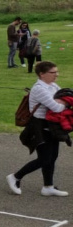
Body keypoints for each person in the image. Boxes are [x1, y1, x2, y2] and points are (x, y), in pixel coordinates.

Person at [8, 61, 69, 197]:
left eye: (57, 72)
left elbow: (63, 99)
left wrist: (63, 102)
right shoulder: (39, 89)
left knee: (53, 157)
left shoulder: (53, 86)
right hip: (39, 126)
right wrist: (64, 102)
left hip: (52, 126)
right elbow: (57, 107)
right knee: (44, 159)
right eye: (53, 72)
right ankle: (15, 177)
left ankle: (48, 186)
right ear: (42, 74)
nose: (56, 75)